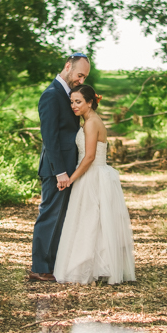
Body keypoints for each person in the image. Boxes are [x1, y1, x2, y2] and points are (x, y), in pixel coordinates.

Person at [53, 84, 135, 285]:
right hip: (93, 173)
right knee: (92, 222)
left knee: (90, 221)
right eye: (72, 102)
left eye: (78, 102)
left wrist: (70, 179)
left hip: (92, 174)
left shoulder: (91, 123)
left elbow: (89, 157)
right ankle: (96, 266)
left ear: (90, 102)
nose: (73, 106)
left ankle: (88, 268)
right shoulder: (90, 120)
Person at [29, 52, 91, 282]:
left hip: (67, 169)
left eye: (85, 77)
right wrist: (60, 172)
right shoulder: (51, 95)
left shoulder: (68, 95)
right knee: (50, 216)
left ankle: (52, 264)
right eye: (80, 75)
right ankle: (40, 268)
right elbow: (50, 138)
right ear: (68, 67)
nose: (81, 80)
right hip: (57, 170)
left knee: (60, 218)